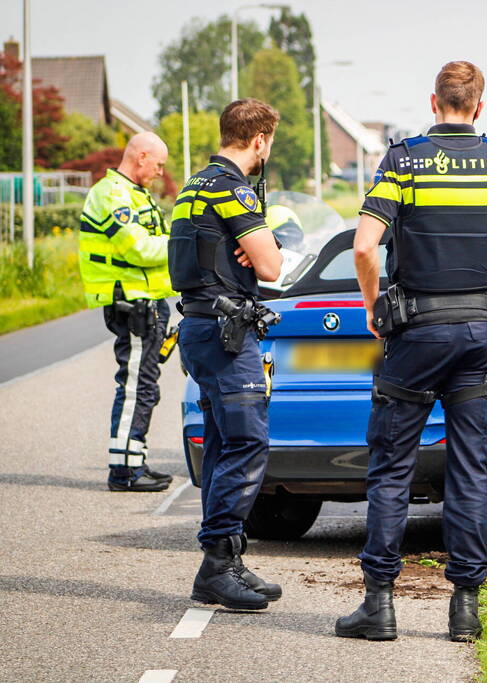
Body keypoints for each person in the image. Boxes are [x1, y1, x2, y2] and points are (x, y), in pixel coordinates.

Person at [334, 61, 487, 643]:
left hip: (416, 334)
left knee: (392, 465)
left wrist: (373, 308)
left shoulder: (404, 161)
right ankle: (466, 608)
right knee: (470, 467)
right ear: (479, 107)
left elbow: (365, 249)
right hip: (478, 335)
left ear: (434, 101)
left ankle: (379, 606)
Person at [169, 98, 284, 611]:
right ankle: (216, 567)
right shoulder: (232, 189)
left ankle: (228, 559)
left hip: (201, 326)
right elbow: (272, 267)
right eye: (269, 142)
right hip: (226, 332)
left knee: (220, 442)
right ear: (259, 140)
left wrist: (251, 247)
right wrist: (263, 243)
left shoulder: (194, 185)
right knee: (247, 442)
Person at [78, 132, 176, 492]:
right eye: (158, 164)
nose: (161, 172)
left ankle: (134, 462)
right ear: (142, 156)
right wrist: (183, 242)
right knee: (136, 386)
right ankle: (124, 472)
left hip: (146, 302)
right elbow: (140, 250)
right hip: (132, 304)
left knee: (144, 384)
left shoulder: (135, 193)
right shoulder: (111, 195)